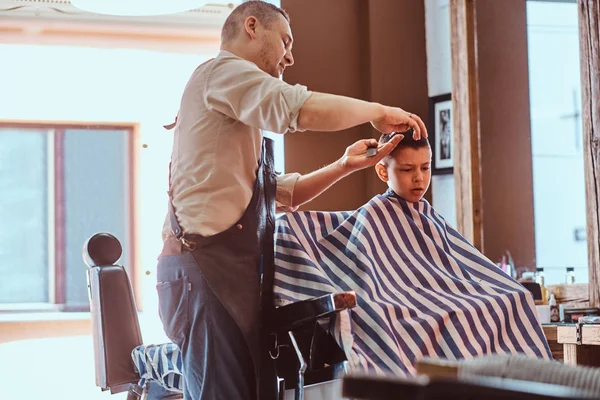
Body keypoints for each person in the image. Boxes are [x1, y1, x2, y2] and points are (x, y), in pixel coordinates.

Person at [155, 1, 427, 399]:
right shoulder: (222, 73)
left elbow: (281, 195)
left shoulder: (237, 112)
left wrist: (345, 165)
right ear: (251, 27)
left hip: (229, 276)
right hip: (205, 273)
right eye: (285, 41)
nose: (290, 55)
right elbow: (295, 106)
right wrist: (377, 111)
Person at [273, 132, 551, 377]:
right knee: (412, 324)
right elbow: (361, 269)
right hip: (398, 303)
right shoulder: (372, 216)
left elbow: (456, 269)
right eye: (407, 169)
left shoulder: (428, 216)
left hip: (440, 300)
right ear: (383, 172)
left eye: (425, 167)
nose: (419, 178)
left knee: (515, 298)